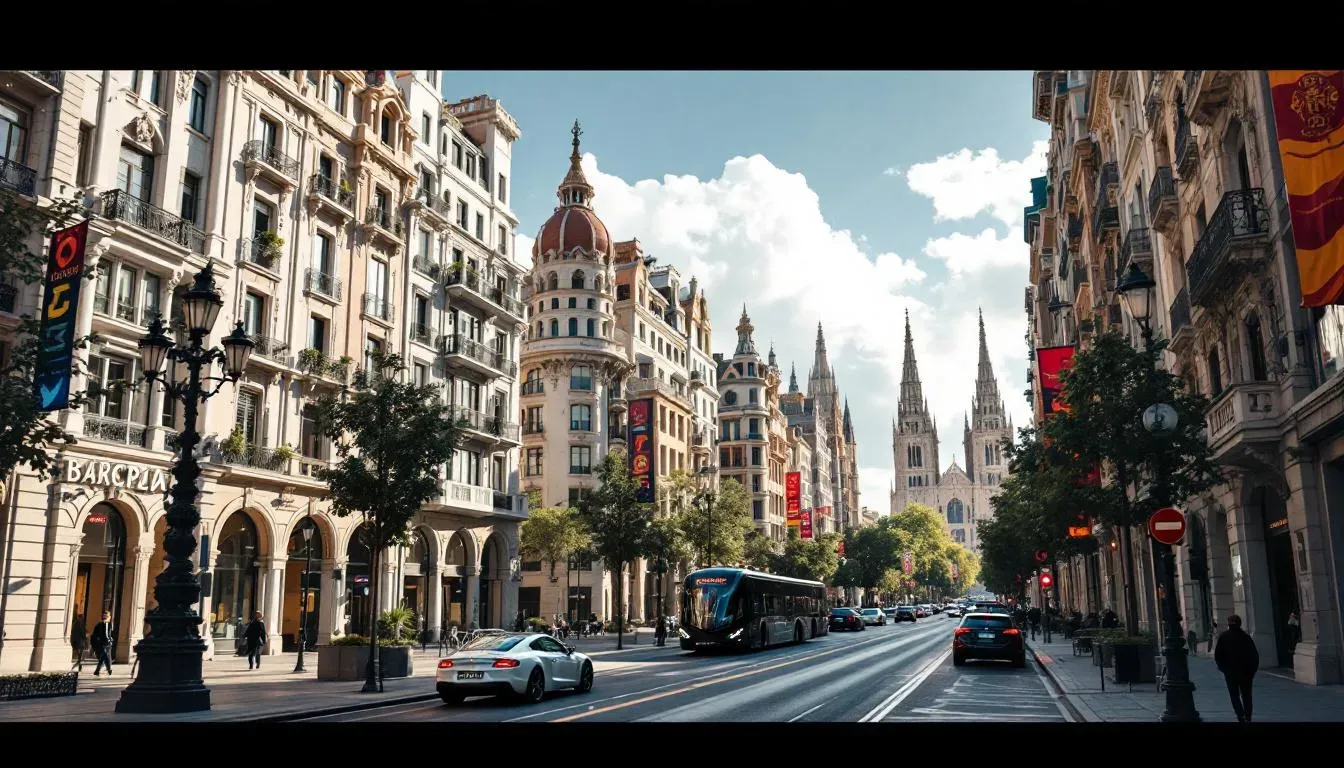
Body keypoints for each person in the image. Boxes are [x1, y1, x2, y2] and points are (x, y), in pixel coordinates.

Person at [1214, 614, 1259, 723]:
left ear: (1229, 624)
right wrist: (1252, 671)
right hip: (1246, 672)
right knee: (1246, 695)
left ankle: (1240, 715)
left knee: (1234, 695)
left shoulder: (1224, 637)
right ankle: (1248, 716)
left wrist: (1223, 668)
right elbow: (1254, 655)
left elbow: (1218, 655)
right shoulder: (1245, 637)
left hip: (1230, 672)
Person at [90, 612, 115, 676]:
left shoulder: (105, 624)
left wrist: (110, 640)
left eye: (106, 616)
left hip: (104, 643)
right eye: (104, 616)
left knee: (103, 657)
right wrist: (109, 641)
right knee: (105, 656)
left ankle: (97, 671)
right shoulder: (102, 624)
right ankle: (108, 669)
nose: (105, 618)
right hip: (103, 643)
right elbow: (105, 634)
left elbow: (109, 634)